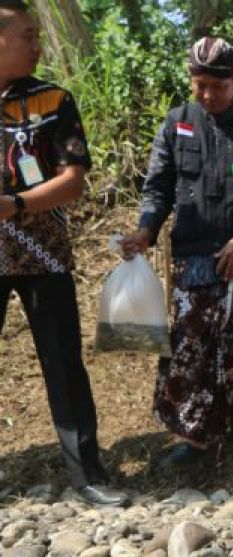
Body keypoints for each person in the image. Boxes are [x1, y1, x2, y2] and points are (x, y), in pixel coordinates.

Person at [121, 37, 233, 470]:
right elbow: (157, 187)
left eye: (218, 86)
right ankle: (193, 436)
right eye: (200, 85)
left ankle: (232, 414)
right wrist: (145, 232)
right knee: (191, 343)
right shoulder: (176, 123)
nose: (208, 95)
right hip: (194, 254)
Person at [0, 0, 126, 506]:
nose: (38, 44)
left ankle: (87, 474)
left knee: (62, 362)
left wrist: (14, 205)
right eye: (27, 35)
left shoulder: (53, 100)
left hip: (42, 255)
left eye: (37, 33)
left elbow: (72, 181)